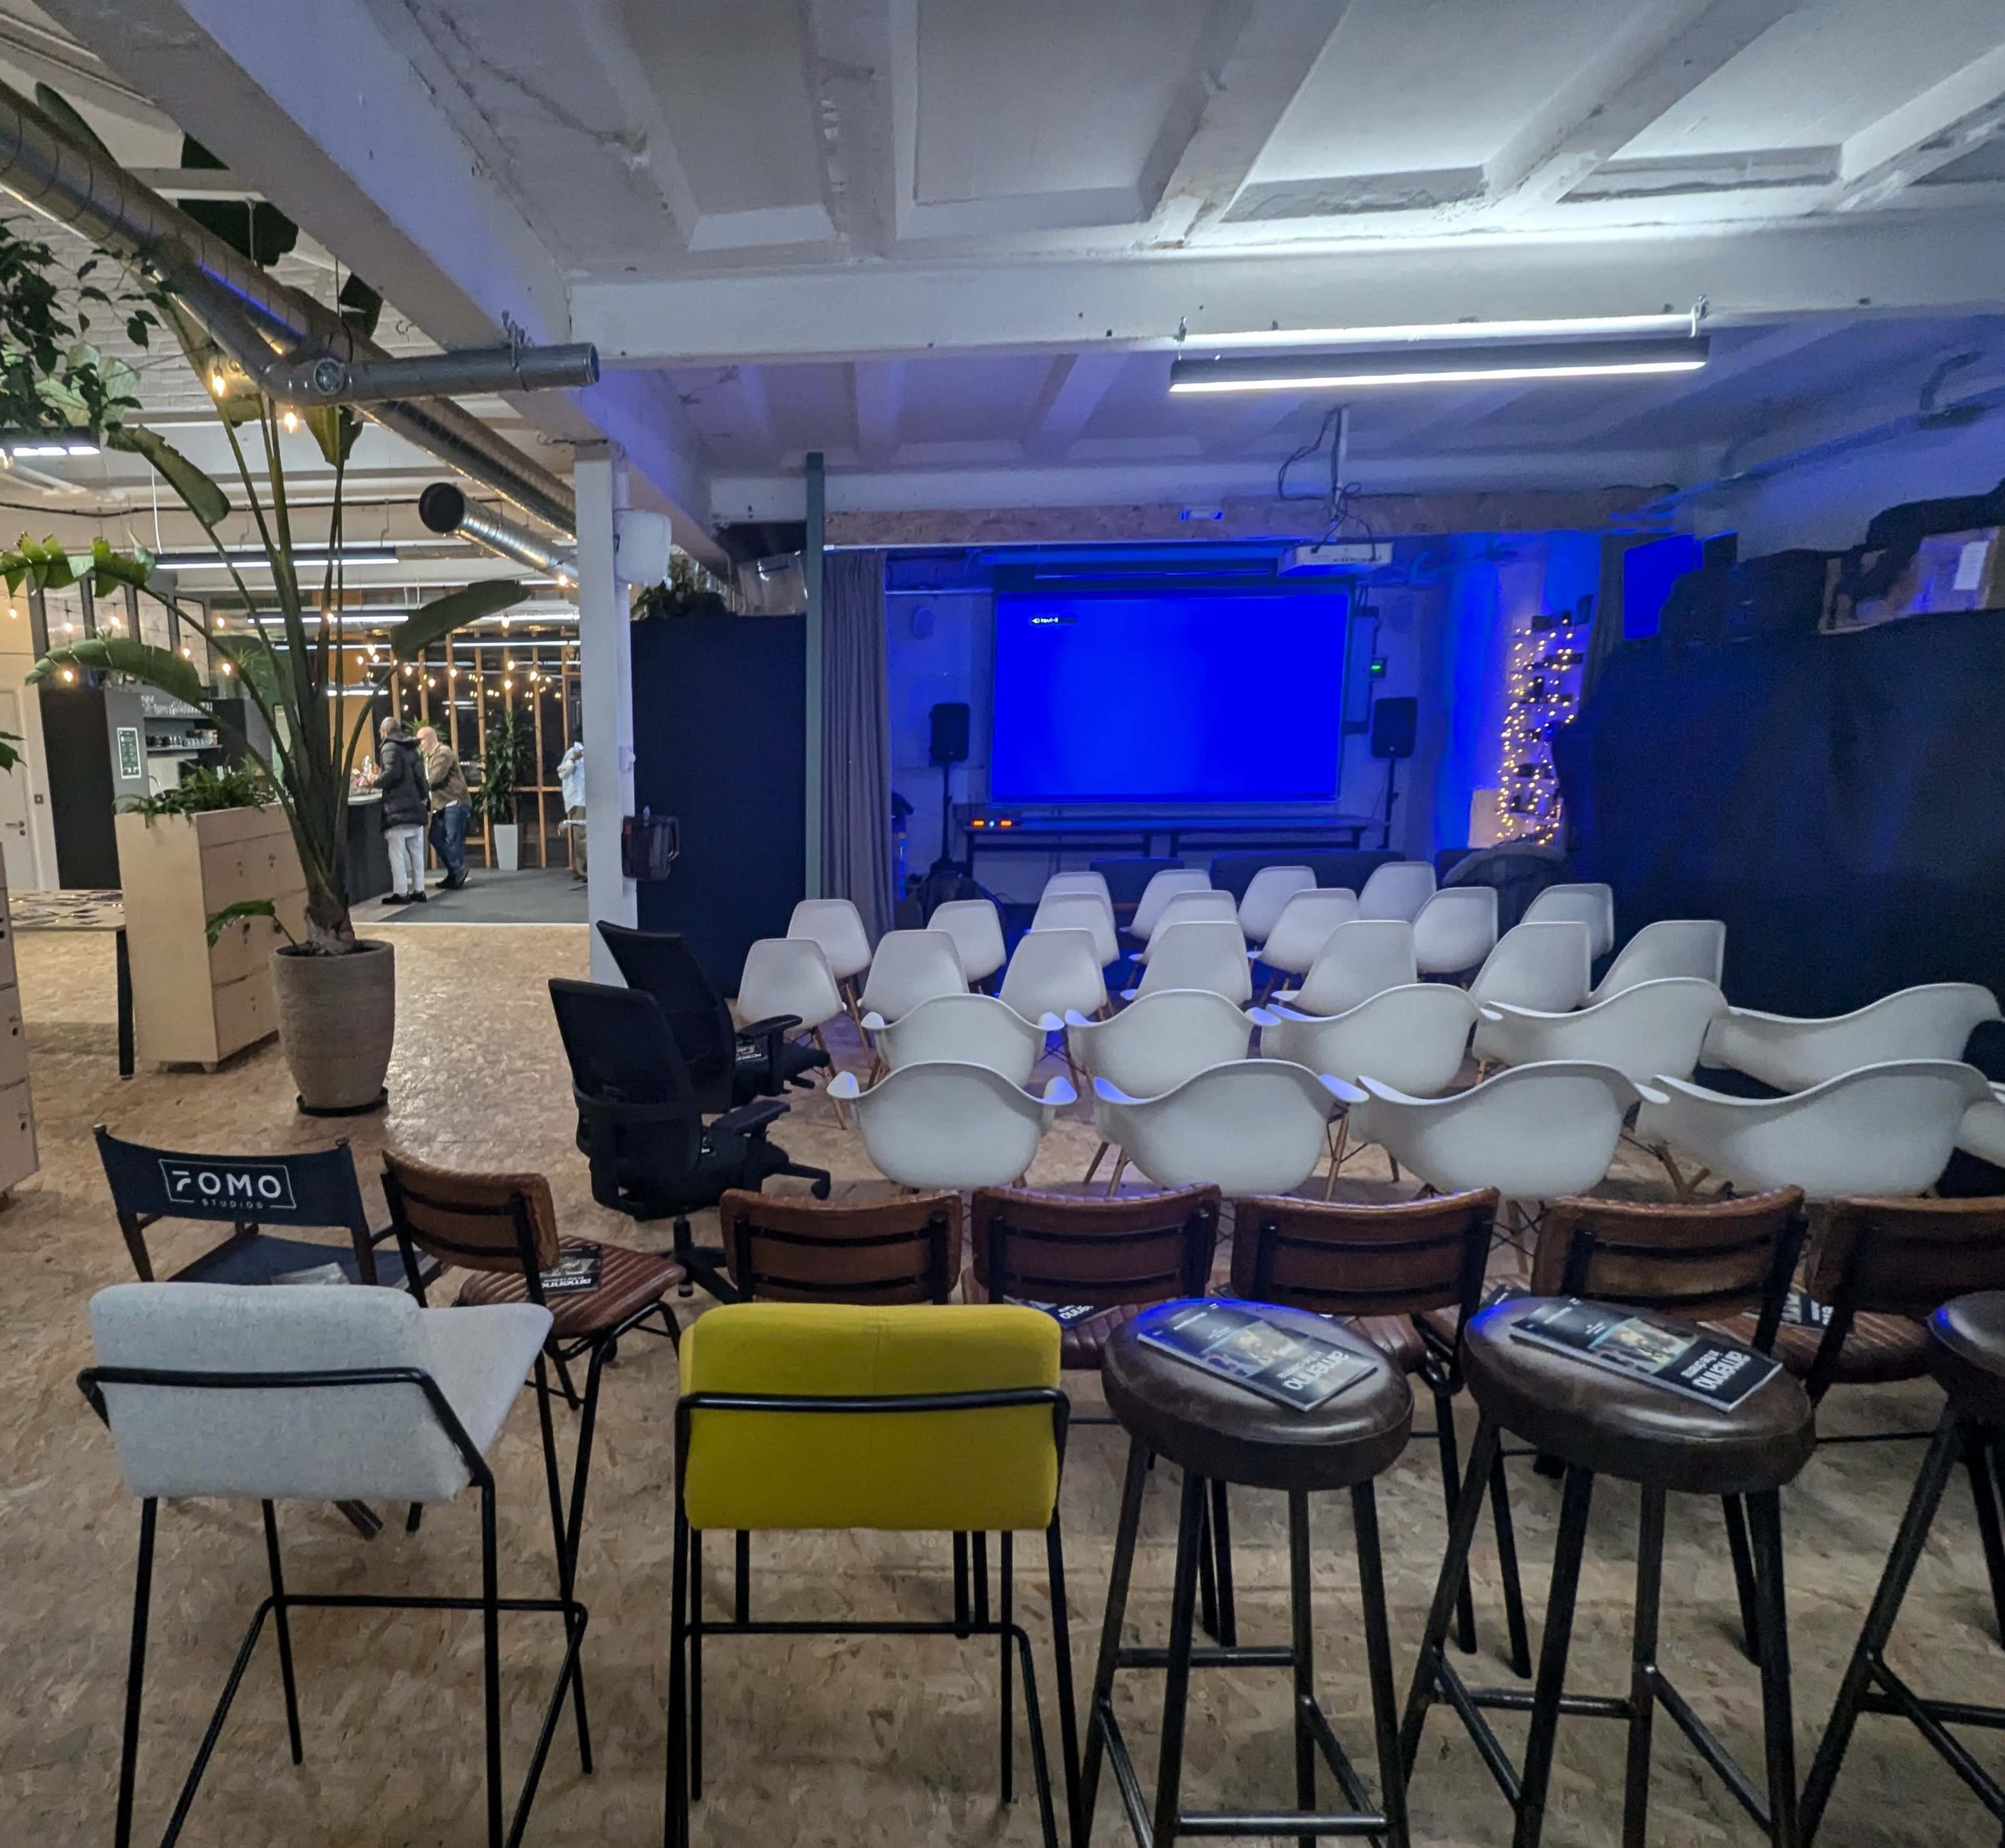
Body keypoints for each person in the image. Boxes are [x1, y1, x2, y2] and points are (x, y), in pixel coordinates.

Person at [373, 718, 429, 904]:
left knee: (396, 853)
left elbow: (392, 774)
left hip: (397, 808)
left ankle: (401, 892)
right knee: (417, 852)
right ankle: (419, 890)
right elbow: (421, 778)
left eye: (381, 732)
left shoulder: (389, 747)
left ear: (385, 731)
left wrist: (374, 782)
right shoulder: (411, 748)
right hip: (415, 807)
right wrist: (423, 798)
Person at [417, 723, 473, 890]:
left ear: (430, 739)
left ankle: (457, 872)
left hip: (454, 802)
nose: (419, 744)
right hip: (441, 804)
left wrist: (417, 787)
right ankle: (456, 871)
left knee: (453, 839)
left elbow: (435, 779)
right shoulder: (429, 758)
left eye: (420, 740)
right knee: (435, 837)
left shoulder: (443, 753)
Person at [558, 732, 586, 882]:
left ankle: (585, 868)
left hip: (590, 799)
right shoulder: (572, 752)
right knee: (582, 836)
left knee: (587, 836)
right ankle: (583, 871)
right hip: (579, 800)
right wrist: (573, 760)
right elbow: (562, 773)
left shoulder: (594, 750)